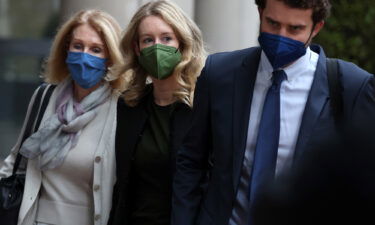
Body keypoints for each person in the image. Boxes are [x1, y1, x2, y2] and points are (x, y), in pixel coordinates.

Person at [172, 0, 375, 225]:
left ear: (316, 27)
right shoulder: (219, 73)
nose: (281, 36)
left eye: (295, 28)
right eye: (273, 23)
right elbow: (192, 161)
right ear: (260, 13)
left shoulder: (352, 87)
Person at [0, 9, 124, 225]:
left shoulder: (121, 109)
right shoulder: (44, 97)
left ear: (110, 58)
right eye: (78, 46)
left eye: (96, 50)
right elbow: (16, 160)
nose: (84, 56)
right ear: (66, 49)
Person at [108, 1, 206, 225]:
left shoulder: (203, 105)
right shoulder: (129, 105)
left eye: (166, 38)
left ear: (182, 43)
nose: (157, 47)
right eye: (148, 40)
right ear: (137, 48)